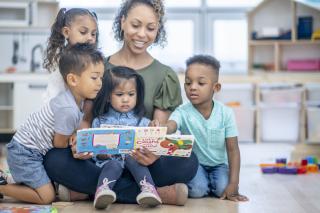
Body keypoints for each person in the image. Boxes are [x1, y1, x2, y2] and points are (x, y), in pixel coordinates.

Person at [44, 0, 198, 206]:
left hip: (144, 163)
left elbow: (159, 130)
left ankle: (89, 191)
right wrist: (81, 146)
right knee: (54, 159)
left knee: (189, 162)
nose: (142, 34)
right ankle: (160, 193)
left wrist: (152, 154)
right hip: (102, 160)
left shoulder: (165, 75)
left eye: (150, 28)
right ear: (123, 22)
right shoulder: (97, 66)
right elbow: (86, 119)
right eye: (136, 25)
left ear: (157, 30)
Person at [0, 43, 104, 204]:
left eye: (101, 78)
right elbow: (59, 143)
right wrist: (74, 141)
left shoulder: (75, 101)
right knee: (46, 197)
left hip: (28, 150)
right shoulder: (68, 109)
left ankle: (9, 180)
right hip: (25, 153)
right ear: (73, 79)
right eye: (94, 77)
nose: (99, 83)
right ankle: (2, 187)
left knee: (46, 187)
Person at [162, 55, 249, 202]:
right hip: (195, 164)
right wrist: (162, 128)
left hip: (219, 165)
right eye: (188, 83)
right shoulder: (182, 111)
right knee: (197, 190)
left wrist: (234, 184)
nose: (193, 87)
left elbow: (233, 149)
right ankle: (200, 184)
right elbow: (171, 125)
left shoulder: (226, 113)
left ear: (216, 87)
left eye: (200, 83)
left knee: (223, 189)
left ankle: (212, 184)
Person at [91, 66, 165, 209]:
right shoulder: (99, 122)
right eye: (119, 94)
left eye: (131, 94)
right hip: (111, 165)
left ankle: (149, 190)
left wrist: (154, 131)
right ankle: (103, 191)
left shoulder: (143, 122)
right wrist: (102, 154)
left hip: (135, 166)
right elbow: (94, 153)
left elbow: (153, 147)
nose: (126, 99)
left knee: (133, 159)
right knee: (113, 165)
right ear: (107, 96)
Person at [43, 8, 99, 103]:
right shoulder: (64, 57)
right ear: (66, 32)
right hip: (56, 107)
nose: (90, 38)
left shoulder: (83, 57)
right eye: (83, 32)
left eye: (93, 34)